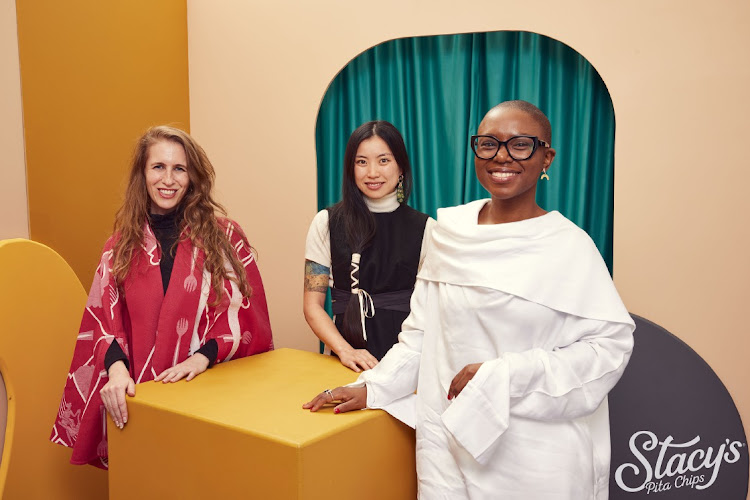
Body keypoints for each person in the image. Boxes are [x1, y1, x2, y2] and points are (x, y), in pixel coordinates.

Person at [304, 101, 635, 499]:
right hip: (447, 451)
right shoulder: (450, 233)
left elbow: (608, 351)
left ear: (547, 156)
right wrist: (373, 387)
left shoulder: (568, 246)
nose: (502, 156)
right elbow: (421, 336)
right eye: (488, 144)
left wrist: (505, 375)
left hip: (533, 459)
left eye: (521, 145)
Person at [51, 126, 274, 469]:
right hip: (144, 402)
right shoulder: (120, 247)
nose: (168, 179)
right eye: (158, 167)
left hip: (208, 398)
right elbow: (102, 320)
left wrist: (201, 358)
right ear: (142, 173)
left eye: (179, 168)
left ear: (192, 177)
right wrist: (116, 371)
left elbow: (247, 317)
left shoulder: (224, 237)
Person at [304, 121, 433, 372]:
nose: (372, 172)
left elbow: (433, 309)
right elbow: (312, 305)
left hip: (407, 361)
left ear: (401, 167)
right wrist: (345, 351)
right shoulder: (326, 222)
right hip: (344, 361)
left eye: (383, 160)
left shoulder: (427, 228)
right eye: (361, 162)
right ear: (351, 169)